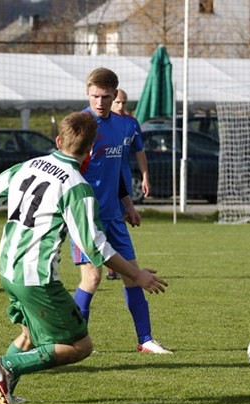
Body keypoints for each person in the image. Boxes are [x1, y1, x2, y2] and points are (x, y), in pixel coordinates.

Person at [0, 112, 168, 404]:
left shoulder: (28, 165)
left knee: (29, 335)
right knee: (80, 346)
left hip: (7, 269)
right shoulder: (77, 187)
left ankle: (1, 391)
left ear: (58, 140)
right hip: (37, 278)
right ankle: (7, 365)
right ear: (91, 150)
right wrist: (137, 274)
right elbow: (95, 247)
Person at [73, 67, 171, 354]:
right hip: (85, 217)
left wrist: (128, 204)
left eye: (105, 97)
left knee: (132, 274)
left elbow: (115, 172)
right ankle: (76, 342)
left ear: (115, 95)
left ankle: (146, 340)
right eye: (94, 96)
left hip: (114, 215)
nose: (100, 102)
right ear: (87, 93)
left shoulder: (124, 126)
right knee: (92, 278)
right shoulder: (79, 126)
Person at [106, 88, 151, 281]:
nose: (120, 106)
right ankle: (111, 265)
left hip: (122, 179)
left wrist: (145, 176)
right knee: (105, 218)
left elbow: (139, 151)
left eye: (124, 102)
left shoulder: (131, 123)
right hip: (105, 179)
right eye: (117, 102)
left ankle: (117, 265)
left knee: (121, 218)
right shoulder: (102, 123)